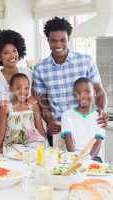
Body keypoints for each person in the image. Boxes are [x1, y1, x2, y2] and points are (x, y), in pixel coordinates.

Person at [32, 16, 108, 148]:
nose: (58, 45)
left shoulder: (85, 61)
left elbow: (99, 91)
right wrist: (49, 121)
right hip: (58, 128)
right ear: (48, 41)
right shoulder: (40, 69)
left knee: (90, 164)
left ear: (68, 39)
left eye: (62, 40)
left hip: (86, 125)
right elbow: (42, 101)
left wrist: (101, 111)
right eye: (53, 41)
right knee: (59, 167)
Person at [0, 73, 46, 155]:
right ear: (11, 88)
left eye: (26, 88)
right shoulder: (6, 108)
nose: (23, 91)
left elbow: (40, 129)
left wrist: (47, 146)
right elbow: (1, 133)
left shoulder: (33, 106)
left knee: (38, 150)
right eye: (18, 88)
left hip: (33, 143)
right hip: (13, 144)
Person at [0, 29, 33, 116]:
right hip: (5, 127)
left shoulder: (28, 73)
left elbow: (33, 99)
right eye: (6, 53)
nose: (12, 55)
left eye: (14, 51)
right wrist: (9, 110)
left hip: (28, 125)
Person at [61, 77, 105, 161]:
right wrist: (76, 159)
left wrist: (88, 159)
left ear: (94, 93)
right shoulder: (66, 115)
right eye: (78, 93)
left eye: (87, 92)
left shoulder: (100, 116)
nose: (83, 96)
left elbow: (98, 142)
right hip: (73, 157)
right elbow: (69, 142)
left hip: (93, 157)